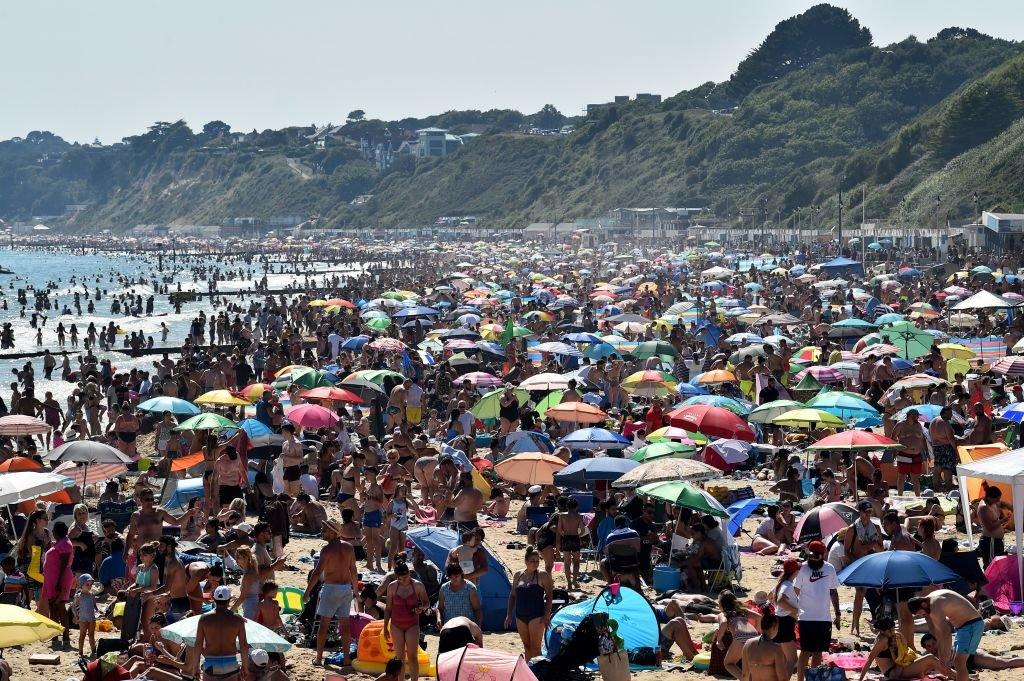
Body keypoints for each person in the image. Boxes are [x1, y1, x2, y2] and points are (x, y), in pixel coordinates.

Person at [305, 518, 358, 667]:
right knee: (345, 626)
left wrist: (307, 591)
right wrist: (356, 591)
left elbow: (317, 573)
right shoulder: (349, 547)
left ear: (334, 532)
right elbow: (353, 570)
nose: (323, 532)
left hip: (331, 588)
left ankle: (318, 658)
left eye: (326, 530)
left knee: (323, 625)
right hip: (346, 588)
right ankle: (346, 659)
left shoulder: (326, 550)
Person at [909, 590, 985, 681]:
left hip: (971, 625)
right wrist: (942, 657)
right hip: (963, 627)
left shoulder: (934, 606)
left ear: (923, 605)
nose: (922, 615)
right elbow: (939, 633)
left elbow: (946, 634)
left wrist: (945, 658)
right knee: (958, 662)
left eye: (920, 613)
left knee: (959, 662)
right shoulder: (931, 598)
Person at [793, 540, 841, 681]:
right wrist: (792, 612)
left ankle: (812, 679)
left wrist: (837, 613)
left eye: (816, 556)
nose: (813, 558)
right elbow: (794, 592)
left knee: (818, 653)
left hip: (824, 618)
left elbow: (833, 592)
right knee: (805, 652)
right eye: (812, 555)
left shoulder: (829, 568)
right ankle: (800, 679)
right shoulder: (802, 568)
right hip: (805, 618)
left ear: (822, 555)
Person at [858, 616, 950, 681]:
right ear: (882, 631)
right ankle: (956, 676)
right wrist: (860, 679)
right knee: (930, 658)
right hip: (894, 672)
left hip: (902, 666)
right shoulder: (882, 640)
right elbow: (870, 659)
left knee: (928, 660)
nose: (893, 632)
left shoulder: (895, 635)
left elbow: (905, 651)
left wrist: (901, 641)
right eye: (889, 631)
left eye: (893, 629)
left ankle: (954, 675)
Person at [383, 560, 429, 681]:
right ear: (396, 577)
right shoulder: (392, 586)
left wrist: (421, 608)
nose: (404, 580)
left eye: (406, 577)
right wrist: (385, 627)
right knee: (399, 658)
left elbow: (426, 603)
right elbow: (388, 609)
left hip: (412, 624)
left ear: (409, 573)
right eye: (401, 579)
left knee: (413, 656)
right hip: (396, 624)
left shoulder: (417, 585)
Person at [505, 546, 553, 660]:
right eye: (532, 561)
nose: (535, 563)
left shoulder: (543, 575)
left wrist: (546, 616)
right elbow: (512, 595)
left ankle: (537, 674)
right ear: (526, 561)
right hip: (520, 615)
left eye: (537, 561)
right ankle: (528, 671)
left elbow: (550, 596)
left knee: (536, 648)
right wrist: (509, 614)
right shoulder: (518, 574)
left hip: (537, 615)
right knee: (526, 646)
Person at [193, 585, 250, 681]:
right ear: (229, 600)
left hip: (211, 663)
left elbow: (198, 643)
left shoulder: (204, 619)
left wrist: (196, 667)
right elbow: (243, 645)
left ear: (214, 599)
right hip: (231, 663)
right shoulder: (237, 619)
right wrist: (245, 666)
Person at [921, 632, 1024, 672]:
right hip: (968, 661)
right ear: (925, 648)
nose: (932, 647)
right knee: (1001, 661)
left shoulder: (944, 649)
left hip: (972, 656)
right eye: (929, 646)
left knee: (1003, 664)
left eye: (933, 643)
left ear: (937, 642)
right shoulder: (927, 656)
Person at [41, 520, 74, 645]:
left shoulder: (65, 544)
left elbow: (64, 564)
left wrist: (59, 582)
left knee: (60, 606)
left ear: (57, 532)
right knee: (53, 607)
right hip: (52, 580)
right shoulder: (60, 543)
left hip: (60, 579)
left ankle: (65, 637)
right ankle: (55, 636)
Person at [770, 558, 800, 674]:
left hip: (780, 622)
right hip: (785, 623)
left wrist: (779, 609)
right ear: (795, 572)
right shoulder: (787, 585)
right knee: (792, 660)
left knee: (782, 660)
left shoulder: (782, 583)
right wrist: (795, 611)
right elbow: (781, 600)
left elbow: (770, 597)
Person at [741, 612, 788, 681]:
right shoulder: (776, 649)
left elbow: (745, 674)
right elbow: (783, 678)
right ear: (774, 626)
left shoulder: (748, 644)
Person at [892, 409, 926, 496]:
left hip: (917, 455)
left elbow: (922, 439)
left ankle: (917, 497)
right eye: (916, 415)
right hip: (904, 453)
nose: (918, 417)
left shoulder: (918, 425)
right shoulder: (900, 425)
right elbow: (893, 439)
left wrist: (926, 453)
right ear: (910, 415)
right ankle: (900, 496)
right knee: (902, 477)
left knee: (916, 478)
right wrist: (894, 452)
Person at [437, 563, 482, 627]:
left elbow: (477, 609)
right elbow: (440, 608)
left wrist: (477, 627)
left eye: (456, 576)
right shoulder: (444, 588)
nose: (453, 579)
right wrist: (439, 619)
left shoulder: (470, 588)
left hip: (466, 627)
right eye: (451, 577)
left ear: (461, 574)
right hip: (449, 626)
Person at [976, 484, 1005, 567]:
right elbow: (990, 527)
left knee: (998, 565)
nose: (998, 501)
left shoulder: (991, 503)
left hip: (995, 541)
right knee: (991, 565)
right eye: (997, 499)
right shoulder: (984, 508)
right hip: (990, 541)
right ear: (990, 497)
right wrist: (1003, 520)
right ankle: (989, 580)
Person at [74, 573, 98, 659]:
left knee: (91, 635)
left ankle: (94, 650)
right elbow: (73, 606)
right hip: (83, 619)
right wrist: (76, 616)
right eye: (87, 584)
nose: (89, 586)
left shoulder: (92, 595)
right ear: (81, 585)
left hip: (92, 618)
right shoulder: (79, 596)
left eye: (91, 585)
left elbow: (94, 605)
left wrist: (98, 610)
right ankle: (80, 651)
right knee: (82, 635)